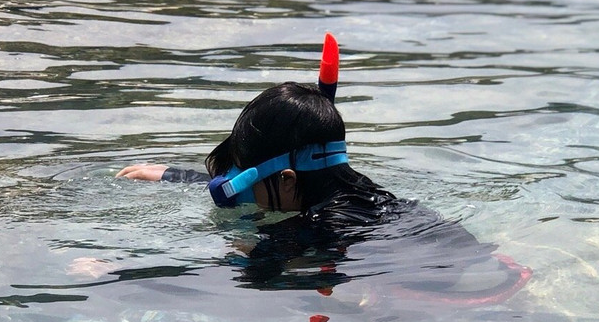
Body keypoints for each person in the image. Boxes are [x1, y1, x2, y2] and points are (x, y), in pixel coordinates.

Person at [115, 37, 529, 306]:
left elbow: (222, 281)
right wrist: (171, 174)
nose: (232, 189)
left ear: (288, 180)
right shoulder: (359, 190)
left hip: (452, 303)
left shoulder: (316, 226)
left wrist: (117, 274)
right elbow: (261, 182)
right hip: (488, 270)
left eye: (244, 178)